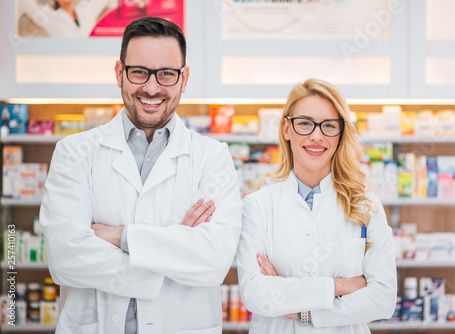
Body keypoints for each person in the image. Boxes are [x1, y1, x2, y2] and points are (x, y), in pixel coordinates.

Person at [40, 17, 242, 334]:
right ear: (120, 73)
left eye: (166, 74)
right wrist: (172, 255)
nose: (151, 87)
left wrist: (118, 236)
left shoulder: (211, 157)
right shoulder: (75, 152)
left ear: (184, 78)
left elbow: (213, 261)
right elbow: (65, 258)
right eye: (139, 72)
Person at [237, 79, 397, 333]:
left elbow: (383, 299)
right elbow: (256, 295)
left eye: (329, 125)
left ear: (341, 133)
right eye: (305, 123)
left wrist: (302, 311)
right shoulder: (258, 206)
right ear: (286, 129)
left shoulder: (366, 206)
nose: (316, 135)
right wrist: (341, 286)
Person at [18, 0, 116, 37]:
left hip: (93, 59)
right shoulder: (49, 17)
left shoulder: (86, 10)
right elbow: (25, 3)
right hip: (67, 64)